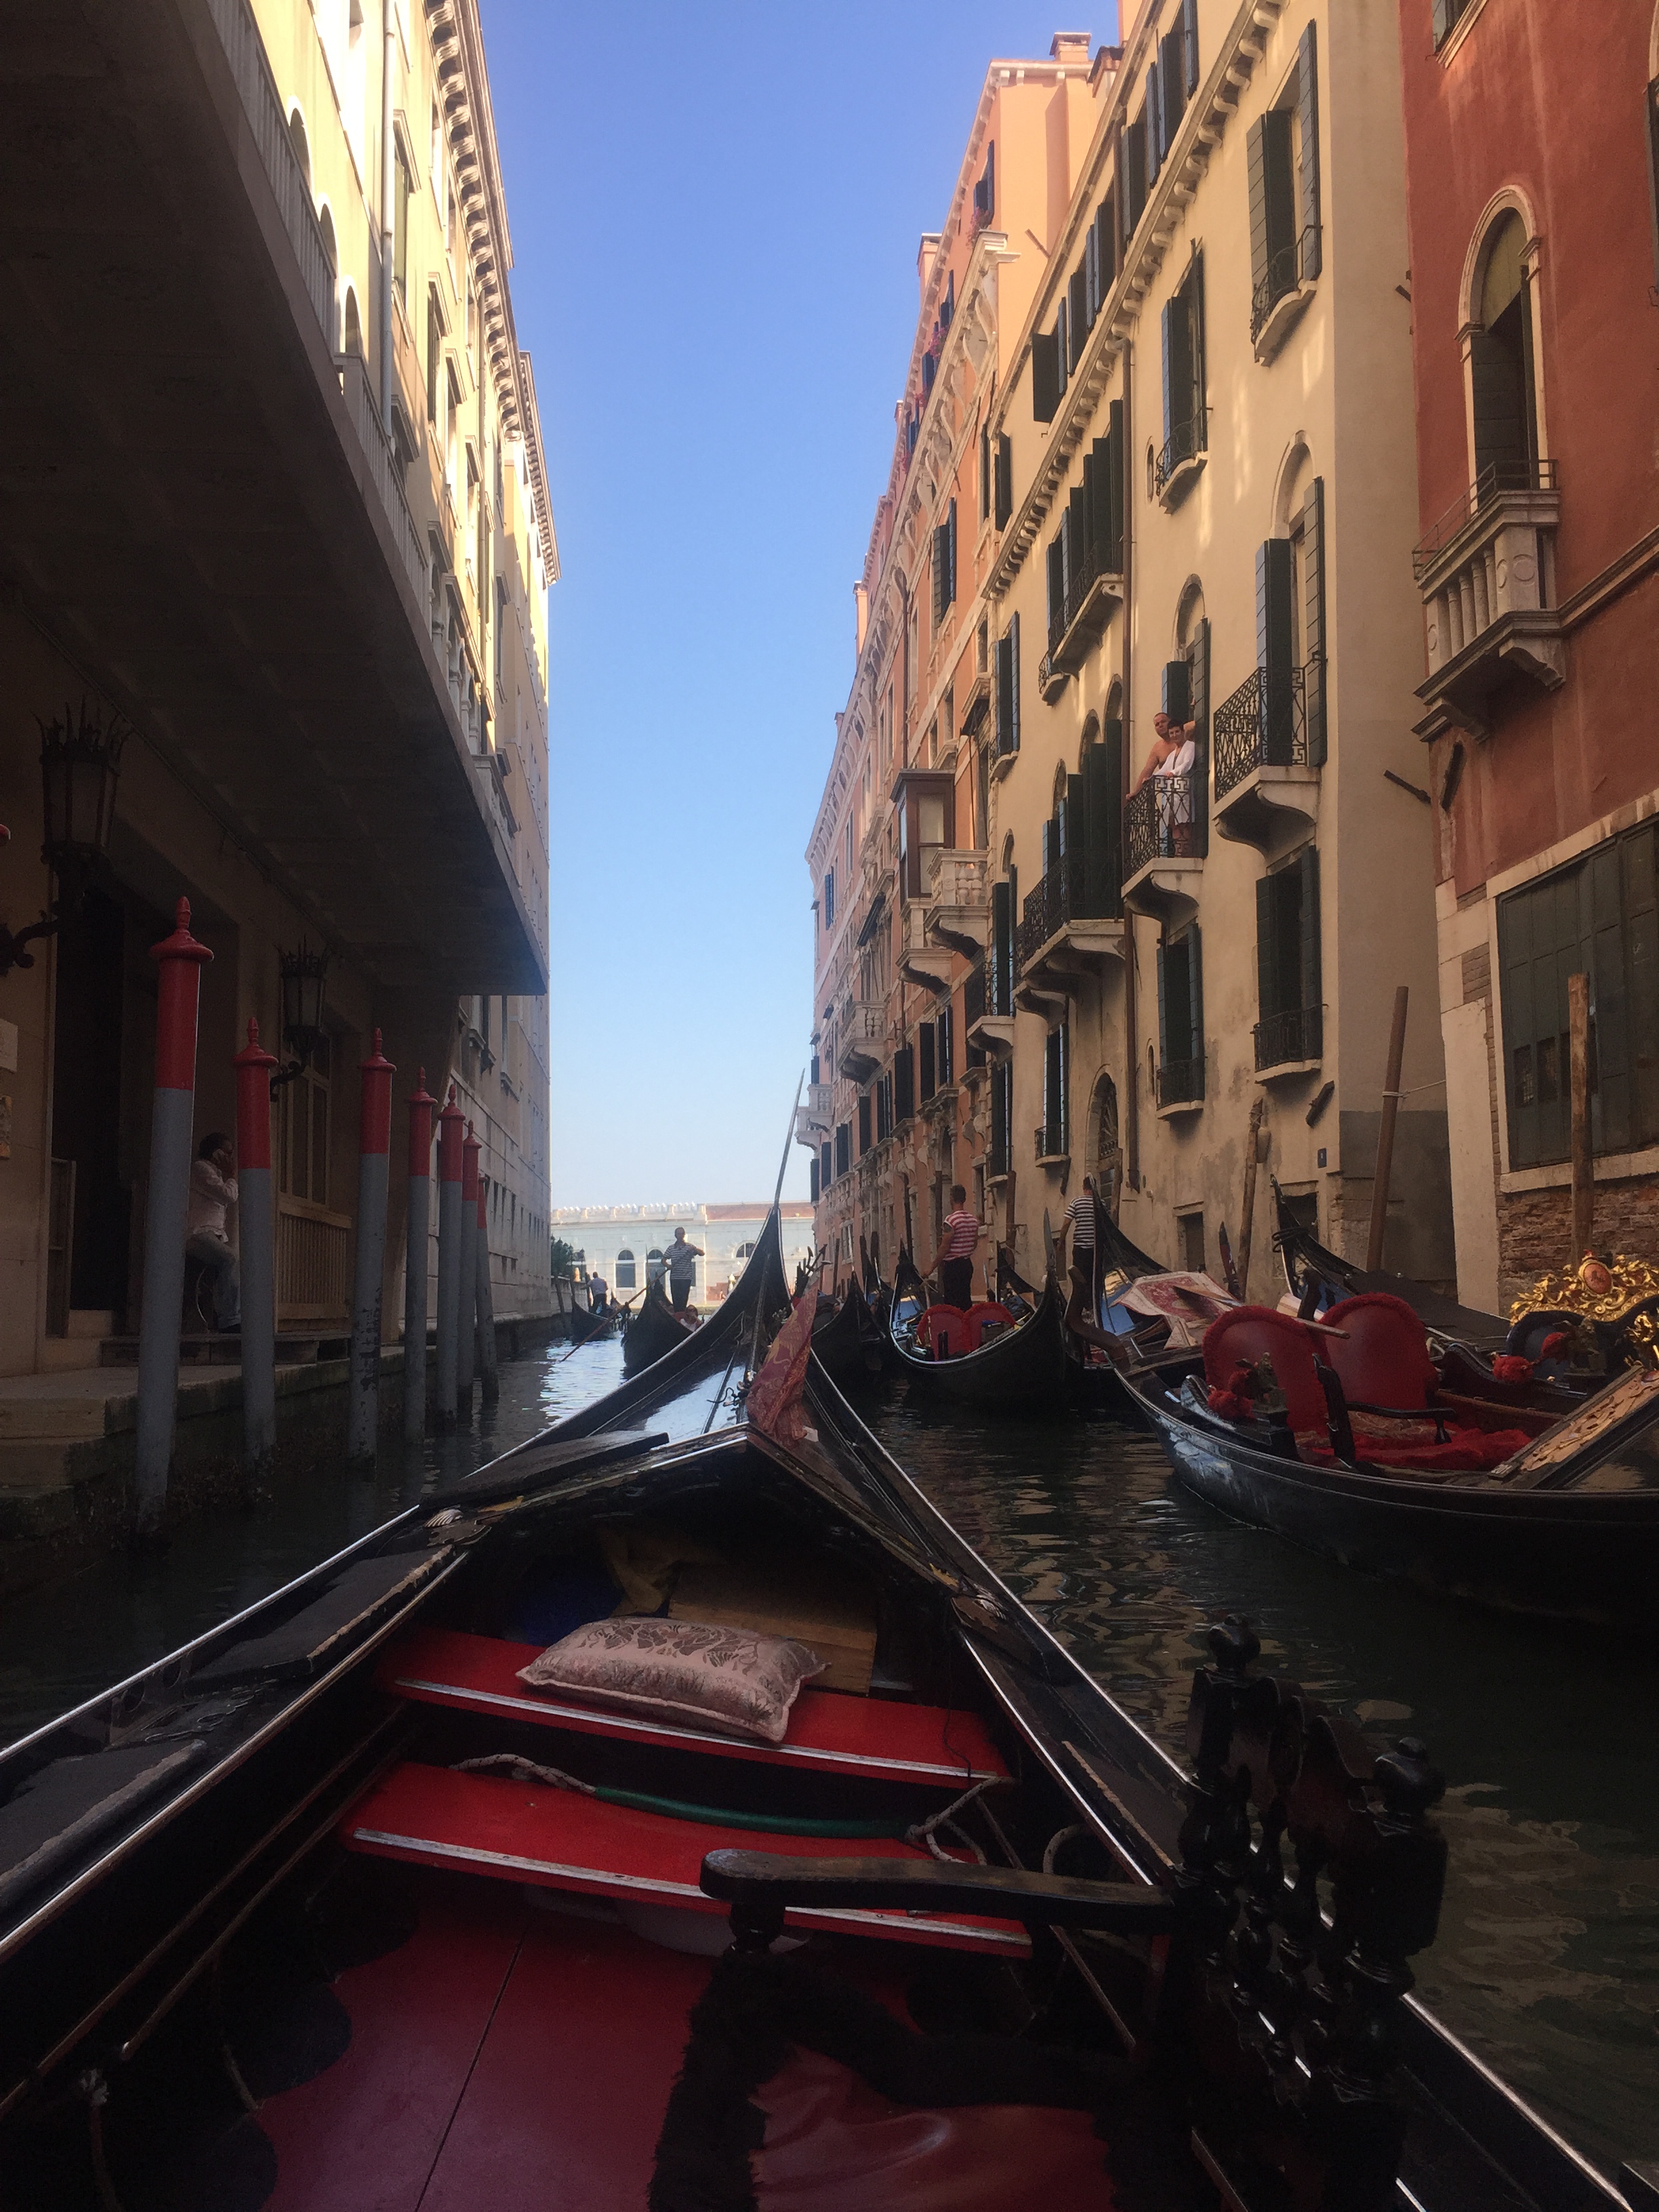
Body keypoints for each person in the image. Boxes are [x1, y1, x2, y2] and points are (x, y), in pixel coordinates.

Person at [186, 1131, 240, 1332]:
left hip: (214, 1234)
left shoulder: (217, 1174)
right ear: (216, 1153)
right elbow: (228, 1196)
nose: (230, 1158)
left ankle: (222, 1314)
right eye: (227, 1153)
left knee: (232, 1268)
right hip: (198, 1233)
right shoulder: (201, 1169)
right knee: (230, 1259)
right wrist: (232, 1175)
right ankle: (230, 1320)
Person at [1129, 709, 1199, 857]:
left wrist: (1195, 705)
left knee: (1184, 823)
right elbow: (1150, 770)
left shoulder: (1186, 734)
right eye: (1157, 724)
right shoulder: (1159, 749)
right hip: (1170, 793)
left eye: (1163, 722)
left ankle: (1185, 852)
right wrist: (1137, 791)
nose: (1160, 726)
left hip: (1184, 789)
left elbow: (1200, 720)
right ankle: (1178, 853)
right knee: (1173, 824)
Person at [1059, 1174, 1105, 1319]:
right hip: (1096, 1249)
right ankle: (1093, 1307)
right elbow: (1105, 1225)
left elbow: (1067, 1223)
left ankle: (1082, 1309)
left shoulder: (1076, 1202)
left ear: (1084, 1188)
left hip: (1080, 1248)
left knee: (1079, 1279)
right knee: (1094, 1278)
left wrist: (1061, 1241)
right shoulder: (1101, 1204)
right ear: (1095, 1188)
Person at [937, 1186, 981, 1311]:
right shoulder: (973, 1220)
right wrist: (964, 1251)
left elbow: (944, 1247)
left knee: (952, 1304)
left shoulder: (950, 1220)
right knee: (965, 1300)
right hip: (967, 1265)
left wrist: (931, 1268)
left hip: (953, 1267)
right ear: (964, 1199)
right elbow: (974, 1243)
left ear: (951, 1198)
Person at [665, 1226, 703, 1310]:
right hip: (675, 1277)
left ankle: (681, 1313)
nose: (681, 1236)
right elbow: (663, 1260)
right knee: (676, 1299)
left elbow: (702, 1253)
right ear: (675, 1235)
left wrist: (695, 1250)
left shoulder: (690, 1247)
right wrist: (668, 1266)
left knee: (683, 1299)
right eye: (679, 1234)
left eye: (682, 1234)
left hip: (686, 1277)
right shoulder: (671, 1248)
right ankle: (678, 1313)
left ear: (684, 1235)